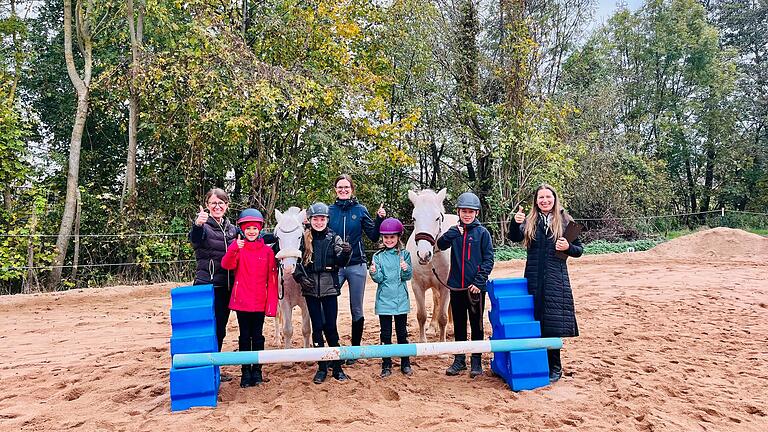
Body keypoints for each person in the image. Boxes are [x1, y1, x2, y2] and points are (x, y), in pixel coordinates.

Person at [506, 184, 583, 382]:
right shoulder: (530, 220)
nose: (545, 200)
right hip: (532, 276)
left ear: (554, 199)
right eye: (541, 197)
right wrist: (515, 223)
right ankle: (538, 363)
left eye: (548, 197)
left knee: (553, 324)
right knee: (536, 321)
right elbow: (513, 237)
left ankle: (555, 366)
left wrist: (568, 247)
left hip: (557, 278)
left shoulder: (566, 220)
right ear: (536, 201)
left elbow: (579, 250)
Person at [328, 174, 386, 364]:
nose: (343, 190)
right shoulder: (329, 211)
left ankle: (354, 349)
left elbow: (373, 235)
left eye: (346, 187)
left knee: (356, 308)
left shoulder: (360, 210)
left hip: (356, 265)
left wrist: (378, 219)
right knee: (329, 308)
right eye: (340, 187)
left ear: (352, 189)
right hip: (335, 266)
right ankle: (333, 348)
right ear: (335, 190)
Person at [436, 192, 495, 378]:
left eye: (470, 211)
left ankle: (476, 361)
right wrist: (451, 233)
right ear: (458, 212)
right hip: (456, 287)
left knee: (476, 324)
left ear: (476, 213)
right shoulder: (455, 231)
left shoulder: (482, 233)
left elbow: (488, 259)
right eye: (464, 211)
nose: (467, 214)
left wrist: (479, 282)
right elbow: (440, 245)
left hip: (475, 288)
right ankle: (459, 360)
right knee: (459, 324)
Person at [293, 202, 353, 384]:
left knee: (331, 327)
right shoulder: (303, 239)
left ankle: (336, 366)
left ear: (327, 220)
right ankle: (321, 367)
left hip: (329, 288)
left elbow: (340, 261)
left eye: (322, 219)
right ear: (310, 220)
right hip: (310, 289)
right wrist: (301, 279)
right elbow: (296, 264)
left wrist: (346, 253)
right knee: (317, 327)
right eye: (316, 219)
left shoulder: (334, 238)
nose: (319, 222)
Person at [221, 209, 278, 388]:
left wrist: (271, 305)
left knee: (258, 336)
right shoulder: (239, 248)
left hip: (259, 301)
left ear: (259, 229)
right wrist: (233, 249)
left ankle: (257, 371)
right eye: (248, 228)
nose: (251, 231)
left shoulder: (268, 252)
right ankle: (245, 372)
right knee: (244, 336)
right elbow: (227, 264)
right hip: (242, 301)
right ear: (242, 230)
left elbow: (272, 279)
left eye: (254, 228)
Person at [189, 188, 238, 382]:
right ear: (208, 206)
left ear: (227, 205)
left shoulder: (232, 228)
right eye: (213, 203)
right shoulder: (203, 225)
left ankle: (214, 365)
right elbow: (194, 238)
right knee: (205, 328)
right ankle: (204, 367)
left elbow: (252, 238)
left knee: (220, 328)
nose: (217, 207)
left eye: (221, 203)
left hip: (226, 286)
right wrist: (197, 225)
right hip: (207, 286)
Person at [369, 218, 413, 377]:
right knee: (385, 333)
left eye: (392, 237)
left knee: (402, 333)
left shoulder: (405, 254)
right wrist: (374, 272)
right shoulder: (378, 256)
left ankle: (405, 363)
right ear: (382, 238)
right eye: (386, 237)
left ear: (398, 237)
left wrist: (406, 268)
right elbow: (379, 279)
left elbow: (407, 276)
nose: (389, 240)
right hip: (384, 301)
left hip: (401, 299)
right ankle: (386, 364)